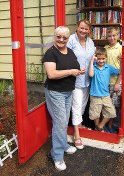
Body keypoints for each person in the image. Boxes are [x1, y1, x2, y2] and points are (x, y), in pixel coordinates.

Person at [43, 26, 85, 171]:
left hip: (68, 91)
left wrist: (79, 71)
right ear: (55, 37)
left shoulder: (70, 51)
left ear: (68, 38)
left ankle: (64, 145)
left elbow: (74, 67)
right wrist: (71, 71)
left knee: (63, 121)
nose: (61, 40)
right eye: (58, 37)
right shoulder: (50, 54)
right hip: (55, 93)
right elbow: (51, 74)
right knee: (60, 123)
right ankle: (57, 156)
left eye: (64, 37)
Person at [67, 19, 95, 149]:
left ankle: (79, 123)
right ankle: (76, 134)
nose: (83, 31)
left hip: (87, 80)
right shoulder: (71, 40)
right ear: (77, 27)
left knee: (83, 104)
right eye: (81, 28)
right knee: (76, 105)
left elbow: (92, 59)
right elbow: (65, 57)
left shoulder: (90, 42)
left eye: (86, 29)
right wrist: (74, 70)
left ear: (89, 30)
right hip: (75, 79)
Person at [88, 47, 120, 131]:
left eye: (103, 59)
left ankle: (100, 126)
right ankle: (97, 127)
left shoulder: (108, 68)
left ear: (106, 58)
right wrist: (92, 61)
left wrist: (121, 62)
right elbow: (91, 75)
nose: (101, 61)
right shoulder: (93, 67)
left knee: (111, 112)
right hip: (95, 95)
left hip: (105, 95)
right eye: (99, 59)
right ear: (96, 58)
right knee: (95, 114)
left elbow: (120, 72)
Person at [104, 27, 122, 133]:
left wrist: (118, 83)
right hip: (105, 82)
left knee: (114, 105)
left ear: (118, 36)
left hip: (115, 82)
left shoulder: (120, 48)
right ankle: (106, 125)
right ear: (107, 37)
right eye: (109, 36)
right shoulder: (105, 48)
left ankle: (112, 126)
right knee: (106, 104)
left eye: (114, 35)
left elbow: (123, 68)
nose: (112, 38)